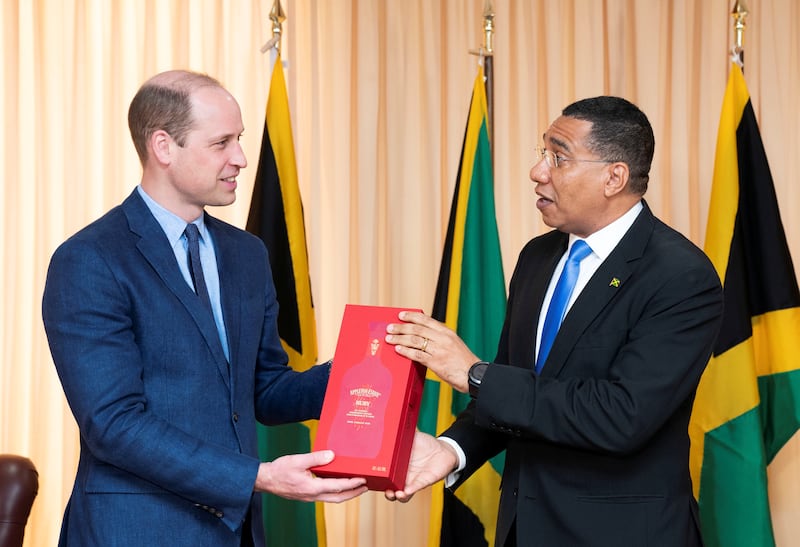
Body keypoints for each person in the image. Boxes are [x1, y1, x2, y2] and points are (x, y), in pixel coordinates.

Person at [42, 70, 367, 547]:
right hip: (134, 532)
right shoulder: (90, 259)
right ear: (163, 147)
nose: (241, 158)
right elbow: (113, 425)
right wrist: (258, 476)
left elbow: (265, 389)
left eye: (240, 139)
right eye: (222, 143)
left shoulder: (247, 254)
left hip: (235, 533)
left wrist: (366, 369)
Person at [385, 96, 724, 546]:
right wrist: (452, 449)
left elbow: (622, 415)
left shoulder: (680, 276)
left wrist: (474, 375)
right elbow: (518, 386)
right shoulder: (538, 257)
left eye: (558, 157)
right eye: (542, 153)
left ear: (614, 177)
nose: (538, 171)